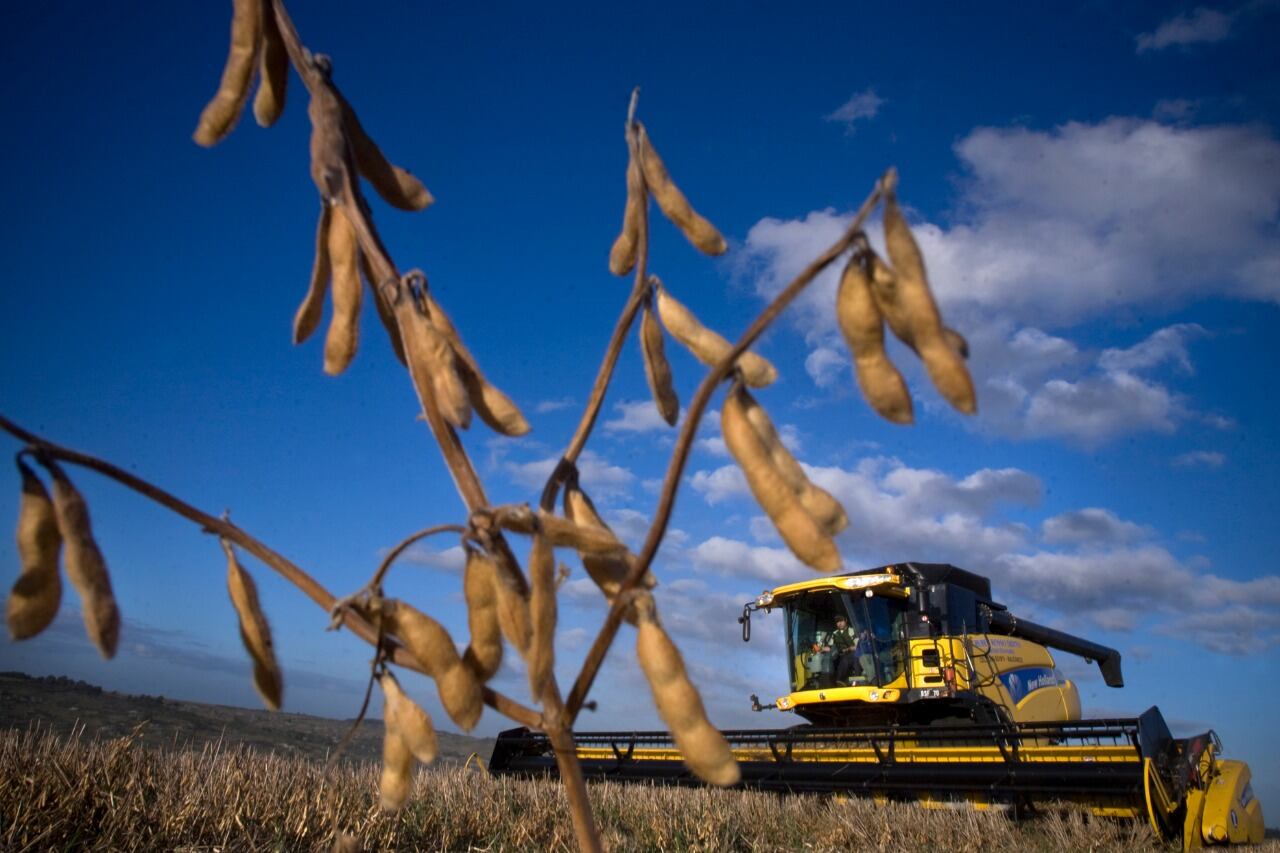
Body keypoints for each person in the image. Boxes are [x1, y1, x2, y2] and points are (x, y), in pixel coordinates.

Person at [830, 615, 859, 685]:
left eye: (841, 621)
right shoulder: (834, 634)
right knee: (842, 660)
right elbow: (829, 646)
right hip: (840, 656)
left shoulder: (853, 631)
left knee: (854, 659)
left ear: (846, 620)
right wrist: (820, 649)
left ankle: (856, 681)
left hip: (854, 654)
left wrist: (848, 649)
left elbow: (856, 646)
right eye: (837, 622)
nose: (839, 623)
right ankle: (839, 682)